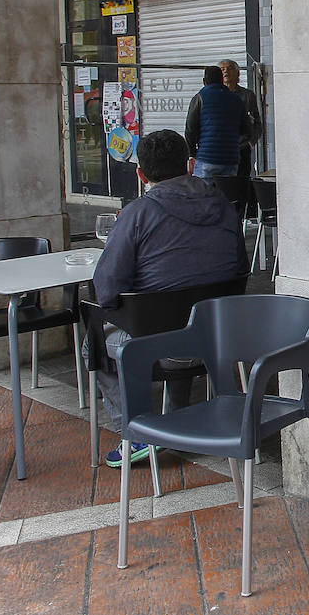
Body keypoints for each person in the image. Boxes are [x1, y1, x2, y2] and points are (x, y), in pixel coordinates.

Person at [90, 130, 248, 466]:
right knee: (177, 314)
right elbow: (240, 268)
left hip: (158, 349)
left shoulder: (136, 214)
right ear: (190, 165)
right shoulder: (224, 206)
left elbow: (106, 290)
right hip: (220, 342)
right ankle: (178, 416)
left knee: (95, 340)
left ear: (140, 174)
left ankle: (137, 431)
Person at [185, 65, 245, 180]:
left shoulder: (199, 98)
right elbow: (247, 130)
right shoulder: (236, 99)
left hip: (207, 158)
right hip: (231, 159)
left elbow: (190, 130)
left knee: (204, 195)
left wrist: (192, 154)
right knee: (227, 194)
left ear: (204, 81)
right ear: (222, 80)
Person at [219, 58, 262, 174]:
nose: (226, 71)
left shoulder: (247, 95)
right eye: (222, 69)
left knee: (242, 182)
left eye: (230, 68)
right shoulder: (215, 96)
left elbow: (258, 124)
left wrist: (250, 143)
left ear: (237, 73)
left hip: (242, 149)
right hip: (220, 150)